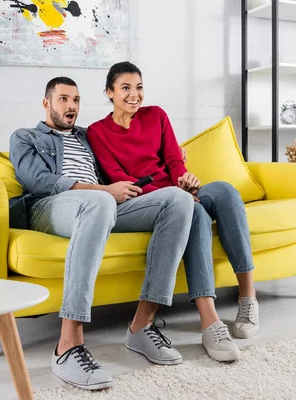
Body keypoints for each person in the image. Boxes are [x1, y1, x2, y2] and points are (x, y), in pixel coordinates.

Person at [8, 77, 196, 391]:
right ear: (47, 103)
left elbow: (123, 161)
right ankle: (67, 345)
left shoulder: (90, 135)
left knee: (178, 200)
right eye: (64, 99)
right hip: (52, 207)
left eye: (77, 100)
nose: (72, 106)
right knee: (98, 202)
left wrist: (173, 157)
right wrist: (102, 190)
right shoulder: (25, 137)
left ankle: (142, 325)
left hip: (104, 204)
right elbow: (39, 182)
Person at [87, 61, 260, 362]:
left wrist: (184, 180)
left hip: (181, 192)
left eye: (138, 87)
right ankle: (210, 322)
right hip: (152, 202)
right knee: (197, 214)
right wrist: (176, 196)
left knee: (226, 192)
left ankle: (248, 297)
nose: (134, 94)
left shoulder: (156, 115)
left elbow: (172, 160)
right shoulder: (98, 132)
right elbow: (121, 182)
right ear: (110, 92)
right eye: (125, 88)